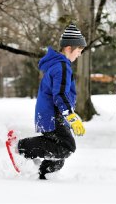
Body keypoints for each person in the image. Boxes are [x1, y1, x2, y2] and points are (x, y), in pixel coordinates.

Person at [5, 23, 87, 179]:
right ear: (69, 48)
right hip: (53, 114)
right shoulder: (62, 66)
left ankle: (41, 175)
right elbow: (60, 94)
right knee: (67, 147)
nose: (79, 54)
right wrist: (70, 115)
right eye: (79, 50)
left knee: (58, 157)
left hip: (52, 114)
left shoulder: (60, 65)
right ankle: (20, 147)